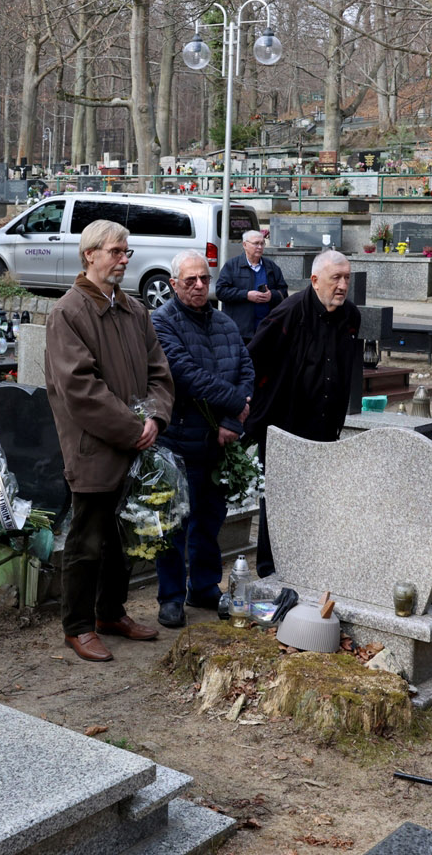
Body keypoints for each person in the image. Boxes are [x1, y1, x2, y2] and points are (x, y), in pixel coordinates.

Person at [45, 219, 174, 661]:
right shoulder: (69, 312)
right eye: (116, 251)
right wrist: (133, 428)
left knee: (123, 536)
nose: (124, 259)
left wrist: (155, 417)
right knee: (87, 541)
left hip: (135, 444)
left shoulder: (134, 309)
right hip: (94, 447)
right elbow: (80, 390)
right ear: (90, 255)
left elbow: (159, 372)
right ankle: (78, 626)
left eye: (126, 252)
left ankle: (110, 613)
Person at [151, 251, 255, 628]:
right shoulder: (162, 322)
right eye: (190, 280)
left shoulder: (224, 322)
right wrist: (237, 404)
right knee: (174, 522)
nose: (199, 286)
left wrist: (231, 421)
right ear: (174, 284)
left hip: (218, 442)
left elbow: (246, 369)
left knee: (211, 519)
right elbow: (186, 375)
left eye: (204, 279)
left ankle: (205, 586)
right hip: (179, 440)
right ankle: (171, 597)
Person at [246, 249, 362, 576]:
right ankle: (270, 570)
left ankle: (306, 565)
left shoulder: (350, 316)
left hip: (324, 424)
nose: (343, 285)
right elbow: (252, 359)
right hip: (283, 424)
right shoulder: (290, 312)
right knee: (279, 498)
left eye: (347, 278)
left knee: (316, 499)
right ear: (315, 280)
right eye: (335, 278)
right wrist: (255, 409)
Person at [215, 229, 290, 342]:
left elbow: (284, 292)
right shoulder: (232, 266)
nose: (259, 247)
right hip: (240, 331)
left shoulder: (271, 267)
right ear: (245, 245)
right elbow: (221, 291)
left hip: (267, 329)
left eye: (262, 243)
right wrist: (246, 295)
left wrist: (272, 296)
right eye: (256, 243)